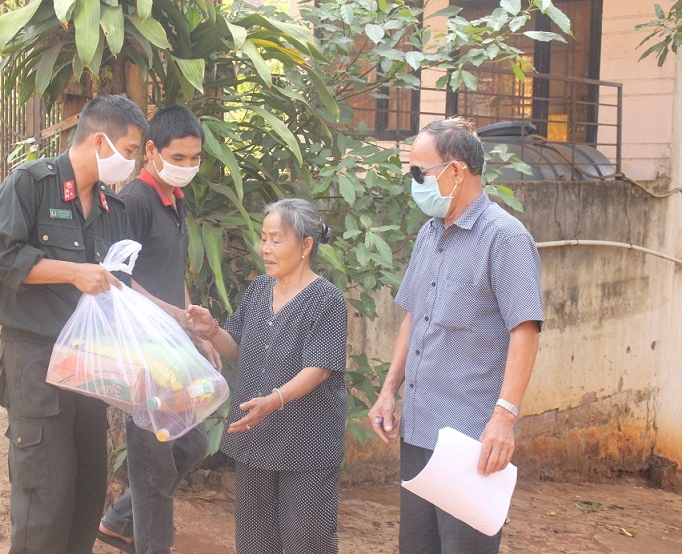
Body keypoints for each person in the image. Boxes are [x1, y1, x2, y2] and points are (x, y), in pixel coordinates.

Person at [0, 95, 148, 553]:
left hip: (91, 366)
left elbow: (119, 288)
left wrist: (172, 326)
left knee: (85, 494)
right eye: (130, 151)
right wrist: (72, 270)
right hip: (36, 358)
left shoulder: (114, 210)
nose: (132, 164)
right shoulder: (32, 185)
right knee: (45, 500)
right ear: (100, 141)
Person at [368, 117, 544, 554]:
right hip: (419, 429)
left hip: (471, 442)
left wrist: (504, 418)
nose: (413, 183)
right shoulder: (431, 234)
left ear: (456, 170)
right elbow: (414, 316)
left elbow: (525, 330)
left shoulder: (505, 239)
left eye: (418, 172)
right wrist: (390, 391)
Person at [188, 198, 348, 554]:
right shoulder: (260, 289)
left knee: (307, 542)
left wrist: (274, 400)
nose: (266, 249)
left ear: (306, 246)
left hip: (306, 444)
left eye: (277, 240)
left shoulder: (327, 300)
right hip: (256, 438)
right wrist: (210, 330)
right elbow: (239, 349)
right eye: (263, 238)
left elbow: (319, 368)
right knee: (255, 543)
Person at [97, 105, 216, 554]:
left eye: (194, 158)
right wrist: (173, 316)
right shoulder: (135, 202)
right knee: (153, 466)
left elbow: (173, 269)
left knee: (191, 444)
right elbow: (121, 280)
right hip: (141, 351)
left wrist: (193, 326)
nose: (187, 167)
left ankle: (116, 522)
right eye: (178, 157)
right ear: (151, 151)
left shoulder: (175, 200)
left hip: (170, 347)